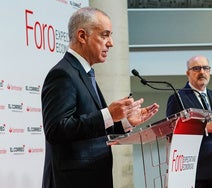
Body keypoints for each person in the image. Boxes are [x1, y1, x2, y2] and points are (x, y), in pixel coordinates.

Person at [41, 7, 159, 188]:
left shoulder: (85, 73)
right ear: (82, 36)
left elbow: (93, 131)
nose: (110, 43)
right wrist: (108, 115)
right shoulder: (63, 74)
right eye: (104, 35)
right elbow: (57, 130)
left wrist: (126, 122)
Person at [166, 55, 212, 188]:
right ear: (188, 73)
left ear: (210, 71)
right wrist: (204, 129)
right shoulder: (177, 97)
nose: (202, 72)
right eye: (196, 68)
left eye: (205, 68)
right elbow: (171, 134)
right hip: (194, 171)